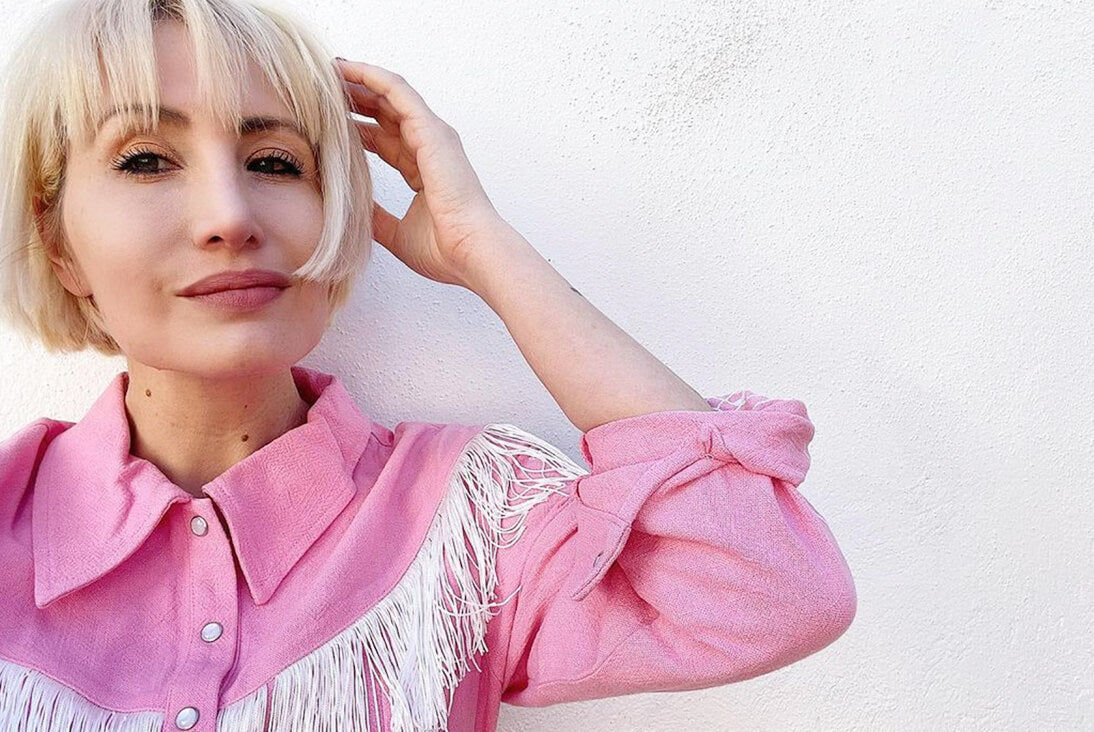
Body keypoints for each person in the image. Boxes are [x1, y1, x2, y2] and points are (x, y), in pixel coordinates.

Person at [0, 0, 857, 729]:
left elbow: (771, 592)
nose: (229, 215)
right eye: (146, 160)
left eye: (274, 163)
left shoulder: (473, 528)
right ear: (56, 243)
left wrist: (482, 248)